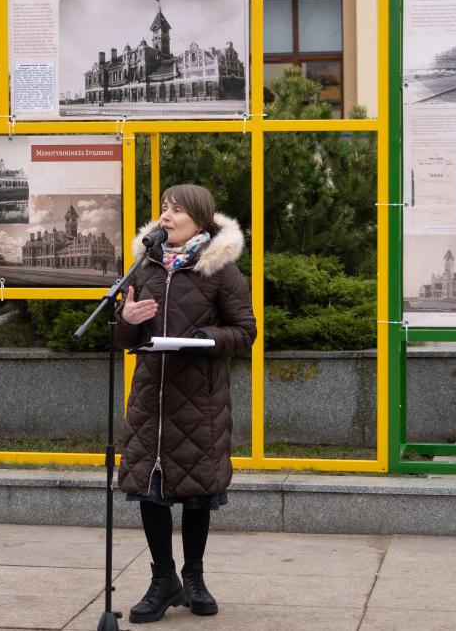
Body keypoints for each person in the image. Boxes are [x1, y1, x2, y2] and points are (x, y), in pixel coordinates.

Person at [115, 184, 256, 624]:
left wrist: (206, 339)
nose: (166, 217)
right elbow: (122, 339)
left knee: (197, 492)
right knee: (150, 491)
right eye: (163, 209)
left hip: (200, 399)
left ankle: (194, 578)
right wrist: (125, 319)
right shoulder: (144, 266)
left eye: (176, 210)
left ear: (199, 219)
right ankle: (163, 581)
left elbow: (246, 331)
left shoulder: (222, 271)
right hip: (150, 398)